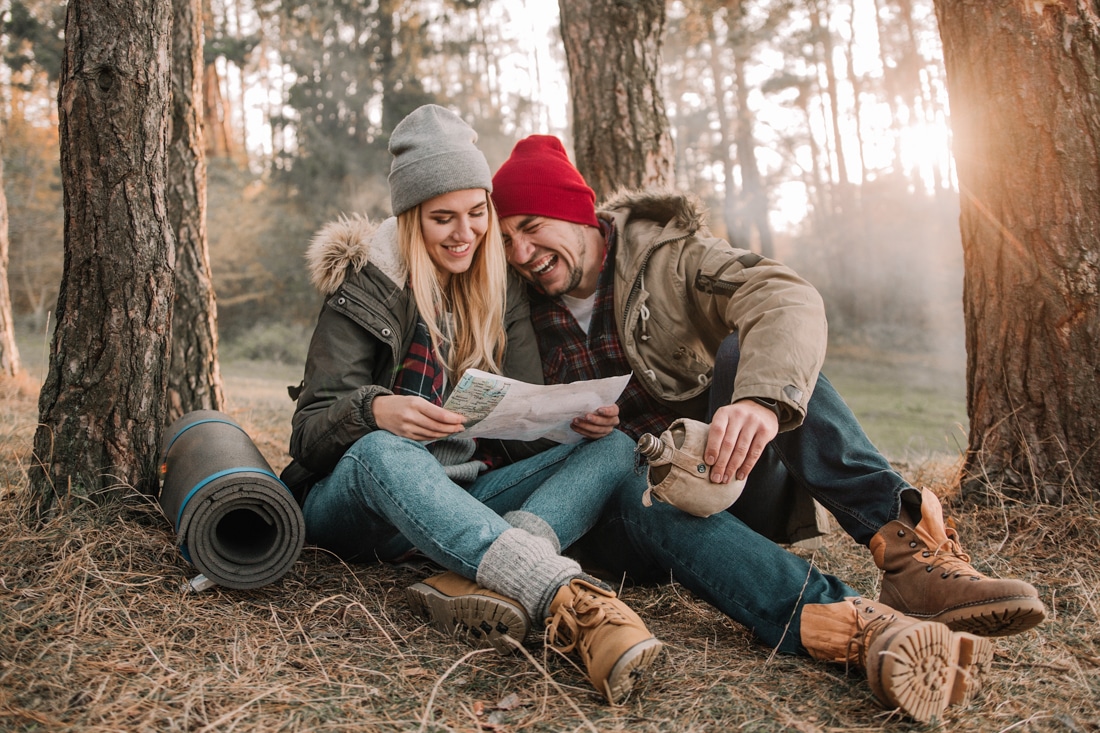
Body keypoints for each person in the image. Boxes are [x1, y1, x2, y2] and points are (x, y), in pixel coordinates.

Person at [412, 134, 1046, 723]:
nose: (521, 254)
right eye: (508, 240)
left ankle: (910, 552)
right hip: (624, 515)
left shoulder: (671, 261)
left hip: (730, 476)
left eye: (532, 228)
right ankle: (856, 625)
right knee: (635, 486)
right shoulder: (512, 303)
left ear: (576, 210)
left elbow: (784, 298)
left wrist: (760, 403)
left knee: (754, 353)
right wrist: (561, 428)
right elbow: (495, 428)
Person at [284, 108, 662, 705]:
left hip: (462, 496)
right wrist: (374, 411)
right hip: (360, 501)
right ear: (412, 218)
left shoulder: (499, 289)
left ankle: (471, 572)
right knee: (386, 448)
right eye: (442, 218)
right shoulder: (366, 286)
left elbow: (523, 427)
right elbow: (307, 435)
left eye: (477, 212)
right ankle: (560, 598)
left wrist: (570, 421)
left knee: (614, 447)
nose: (465, 233)